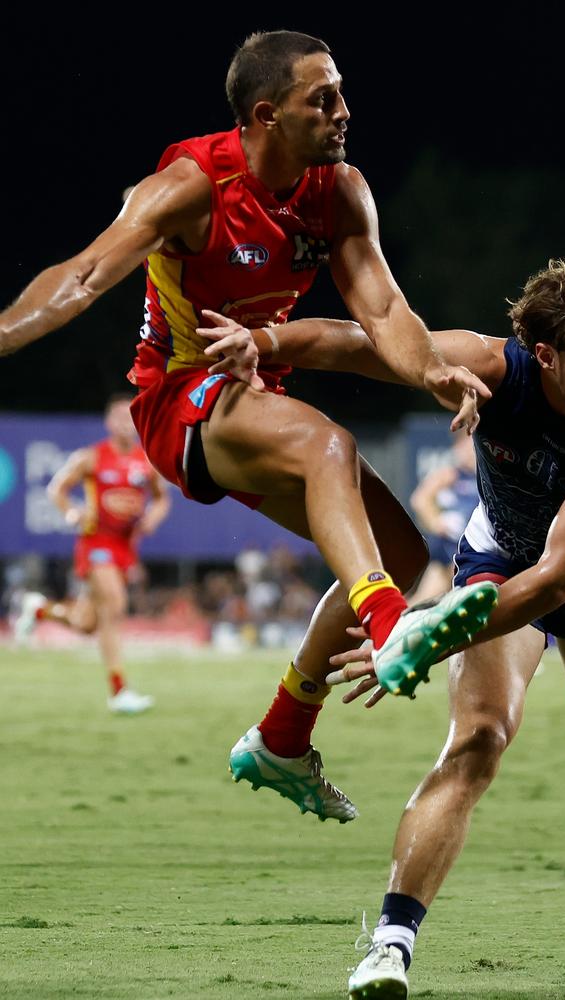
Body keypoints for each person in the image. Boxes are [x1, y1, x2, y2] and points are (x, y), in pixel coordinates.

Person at [0, 30, 497, 821]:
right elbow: (86, 274)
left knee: (399, 554)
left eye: (340, 92)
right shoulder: (191, 186)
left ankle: (283, 735)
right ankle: (389, 622)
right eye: (322, 98)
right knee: (328, 443)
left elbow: (384, 311)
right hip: (179, 396)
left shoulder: (338, 191)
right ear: (267, 115)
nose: (343, 111)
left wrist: (430, 370)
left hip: (253, 388)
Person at [245, 259, 565, 997]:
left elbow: (556, 582)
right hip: (500, 558)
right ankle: (391, 946)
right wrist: (263, 345)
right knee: (477, 740)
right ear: (548, 358)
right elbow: (357, 341)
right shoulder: (492, 367)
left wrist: (423, 637)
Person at [14, 393, 171, 714]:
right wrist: (72, 513)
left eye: (130, 417)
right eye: (119, 418)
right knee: (114, 605)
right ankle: (119, 691)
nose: (125, 424)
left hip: (125, 548)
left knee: (87, 623)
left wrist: (153, 519)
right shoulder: (92, 457)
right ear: (108, 423)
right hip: (96, 543)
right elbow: (57, 488)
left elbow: (161, 498)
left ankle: (39, 609)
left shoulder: (146, 461)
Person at [408, 431, 479, 601]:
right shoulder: (451, 475)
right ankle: (394, 621)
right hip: (449, 549)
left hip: (475, 548)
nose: (472, 452)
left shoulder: (486, 480)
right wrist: (437, 522)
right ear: (458, 447)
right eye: (469, 447)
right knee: (428, 599)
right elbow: (420, 500)